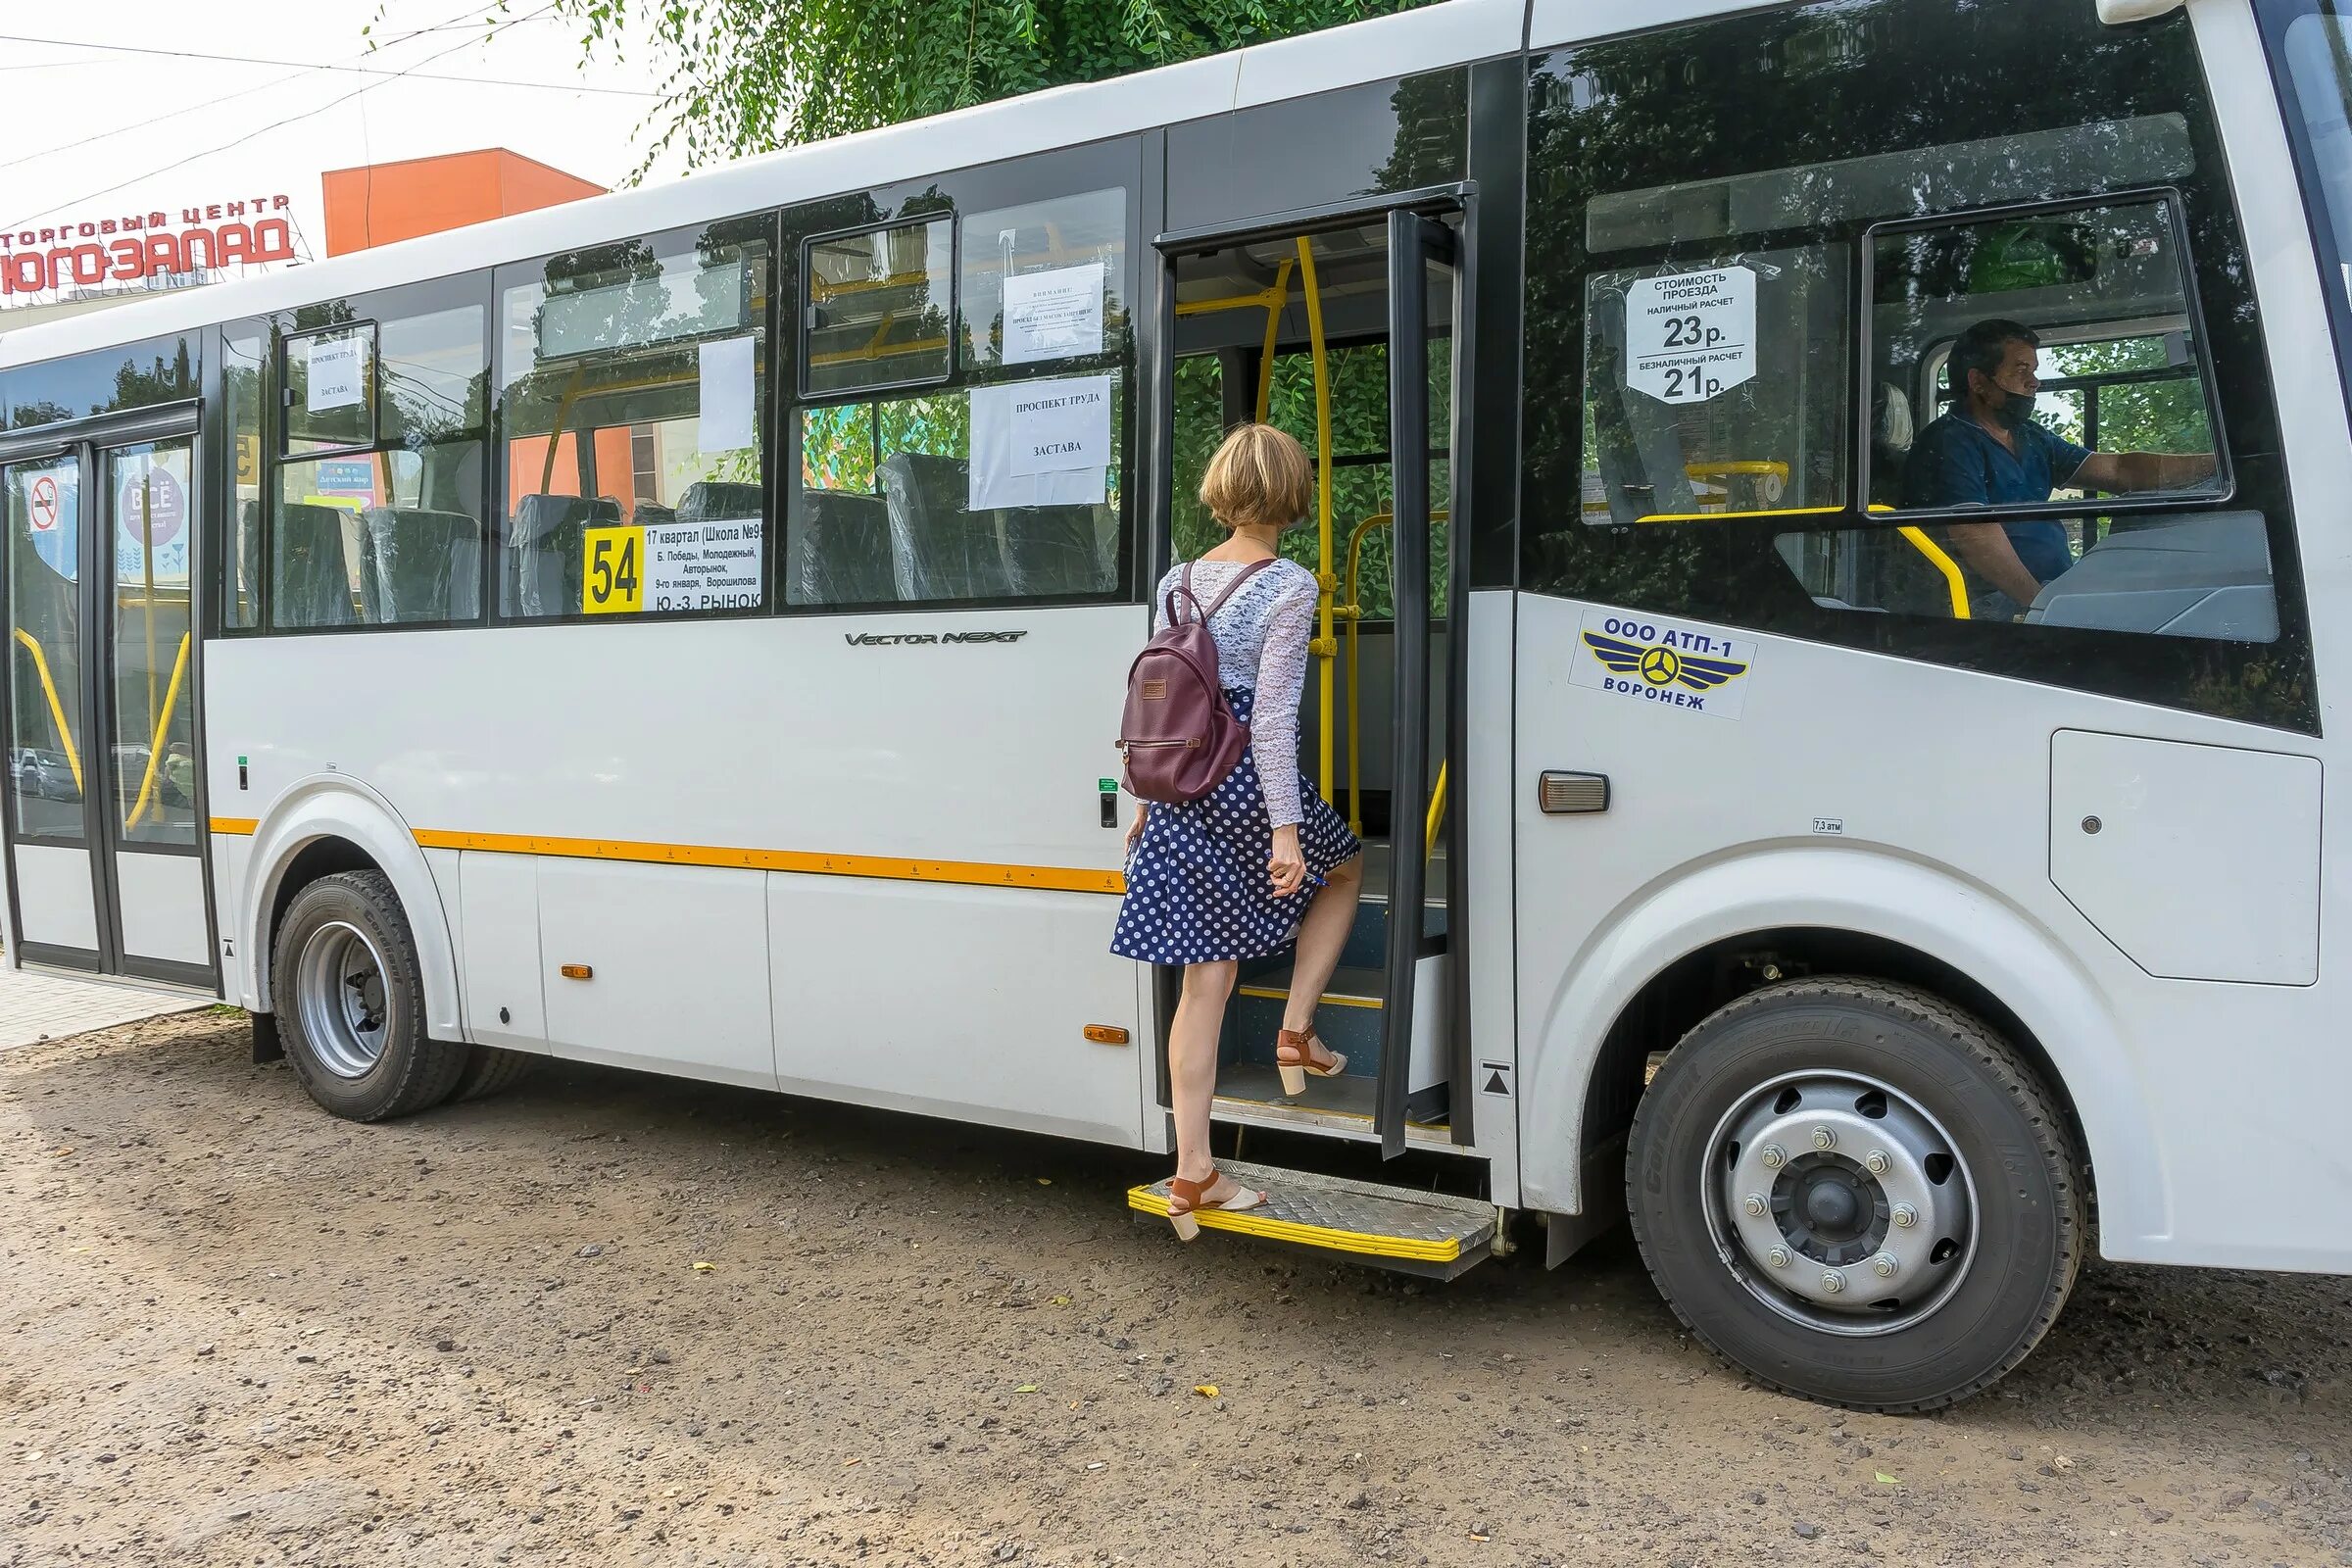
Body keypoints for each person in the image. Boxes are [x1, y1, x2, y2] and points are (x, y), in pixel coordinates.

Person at [1111, 424, 1364, 1235]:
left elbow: (1160, 700)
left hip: (1181, 780)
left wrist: (1142, 798)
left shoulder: (1176, 580)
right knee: (1347, 868)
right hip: (1245, 781)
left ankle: (1192, 1173)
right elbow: (1275, 721)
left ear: (1220, 488)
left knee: (1203, 982)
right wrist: (1286, 832)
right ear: (1292, 494)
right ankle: (1296, 1030)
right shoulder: (1290, 585)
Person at [1902, 318, 2217, 616]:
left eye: (2034, 370)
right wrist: (2041, 606)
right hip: (1987, 604)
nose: (2034, 382)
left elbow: (2121, 471)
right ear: (1979, 382)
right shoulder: (1949, 441)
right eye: (2021, 370)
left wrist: (2218, 466)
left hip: (2045, 591)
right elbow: (1972, 532)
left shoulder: (2030, 436)